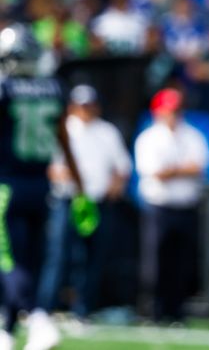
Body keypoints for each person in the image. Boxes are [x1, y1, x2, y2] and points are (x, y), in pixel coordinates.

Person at [0, 24, 84, 350]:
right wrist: (79, 184)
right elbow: (64, 139)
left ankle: (37, 317)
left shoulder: (5, 89)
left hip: (7, 186)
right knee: (30, 259)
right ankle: (6, 330)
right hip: (42, 185)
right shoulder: (54, 87)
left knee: (10, 261)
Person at [33, 84, 131, 341]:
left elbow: (122, 166)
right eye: (81, 105)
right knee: (59, 256)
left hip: (97, 203)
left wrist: (113, 187)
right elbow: (50, 166)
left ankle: (81, 310)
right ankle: (45, 309)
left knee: (92, 258)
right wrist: (72, 179)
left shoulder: (107, 132)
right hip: (67, 200)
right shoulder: (62, 129)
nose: (85, 110)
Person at [134, 88, 209, 322]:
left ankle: (177, 311)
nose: (174, 114)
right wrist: (181, 169)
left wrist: (172, 169)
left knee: (183, 262)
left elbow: (199, 167)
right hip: (160, 207)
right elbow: (155, 172)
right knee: (156, 261)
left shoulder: (192, 135)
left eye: (177, 109)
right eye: (170, 110)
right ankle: (155, 309)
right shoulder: (148, 138)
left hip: (186, 206)